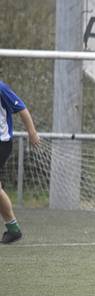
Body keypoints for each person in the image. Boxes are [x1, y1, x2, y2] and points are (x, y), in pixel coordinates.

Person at [0, 80, 40, 244]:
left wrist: (32, 132)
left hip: (1, 142)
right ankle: (13, 229)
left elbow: (21, 108)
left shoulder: (1, 88)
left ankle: (13, 228)